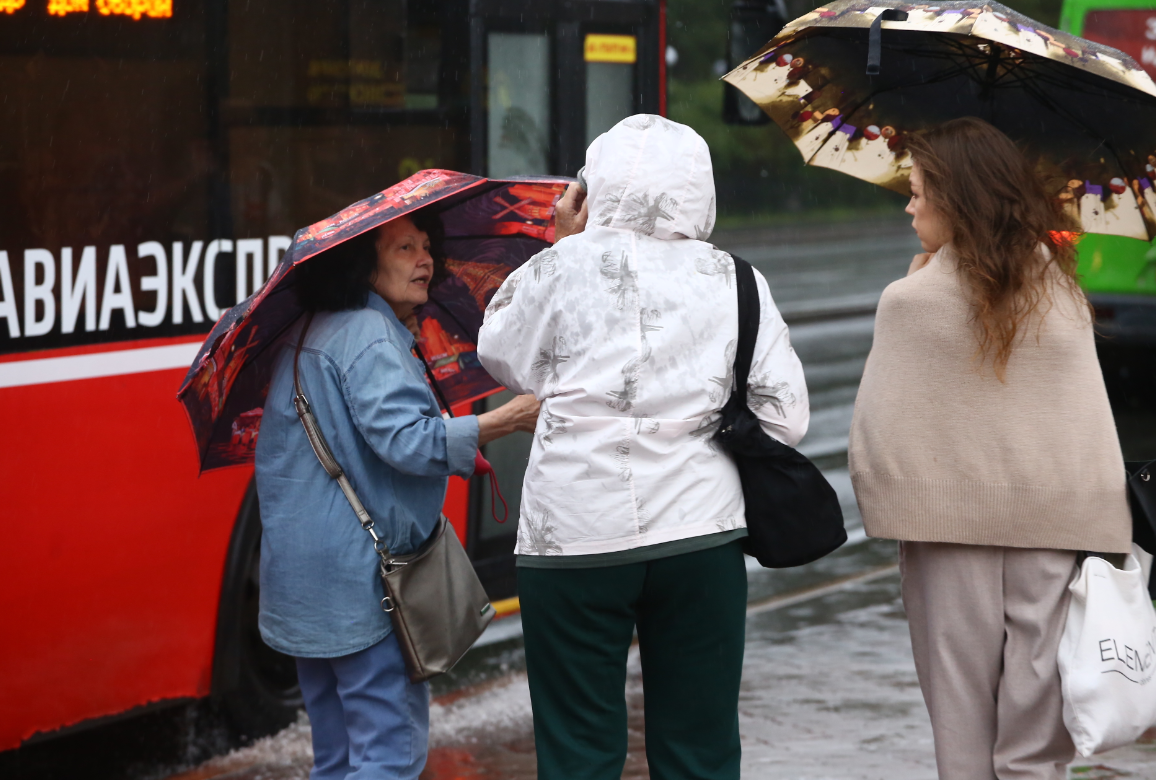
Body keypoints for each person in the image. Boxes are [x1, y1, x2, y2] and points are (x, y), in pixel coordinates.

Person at [477, 115, 809, 780]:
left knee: (577, 751)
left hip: (572, 537)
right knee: (699, 751)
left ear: (590, 188)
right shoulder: (735, 278)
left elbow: (501, 354)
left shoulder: (558, 269)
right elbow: (785, 419)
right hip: (699, 535)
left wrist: (563, 246)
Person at [848, 117, 1132, 780]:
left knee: (960, 725)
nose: (909, 203)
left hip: (944, 535)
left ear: (954, 199)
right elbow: (1085, 422)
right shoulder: (1061, 295)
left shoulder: (908, 301)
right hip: (1057, 530)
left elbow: (877, 435)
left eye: (918, 190)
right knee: (1036, 736)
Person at [254, 210, 539, 780]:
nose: (425, 260)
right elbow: (406, 441)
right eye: (405, 248)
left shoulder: (306, 332)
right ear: (364, 264)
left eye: (426, 245)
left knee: (335, 757)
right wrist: (499, 422)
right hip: (365, 588)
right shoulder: (367, 333)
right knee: (388, 755)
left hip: (303, 585)